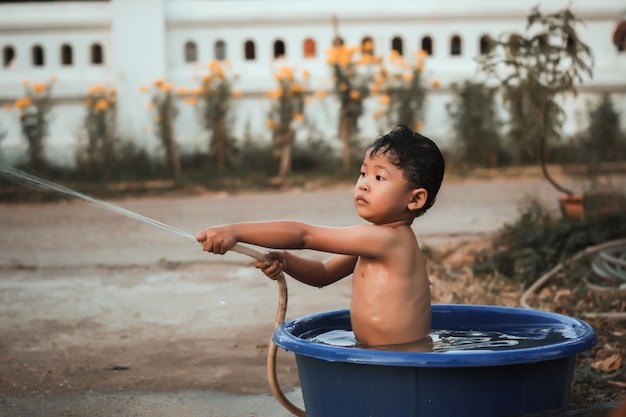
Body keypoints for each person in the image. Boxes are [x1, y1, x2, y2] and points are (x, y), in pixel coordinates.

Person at [196, 125, 445, 348]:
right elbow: (323, 274)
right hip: (377, 355)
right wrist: (286, 260)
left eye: (379, 177)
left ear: (415, 199)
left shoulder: (389, 240)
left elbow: (302, 236)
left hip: (401, 359)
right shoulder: (375, 242)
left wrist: (235, 231)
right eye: (363, 174)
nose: (364, 184)